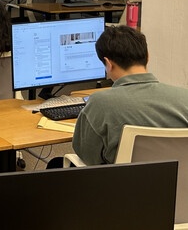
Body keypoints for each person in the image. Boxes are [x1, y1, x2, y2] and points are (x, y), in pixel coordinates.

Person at [71, 26, 188, 165]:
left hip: (121, 179)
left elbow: (87, 155)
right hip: (177, 178)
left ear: (108, 63)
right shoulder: (184, 97)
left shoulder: (99, 103)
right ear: (148, 57)